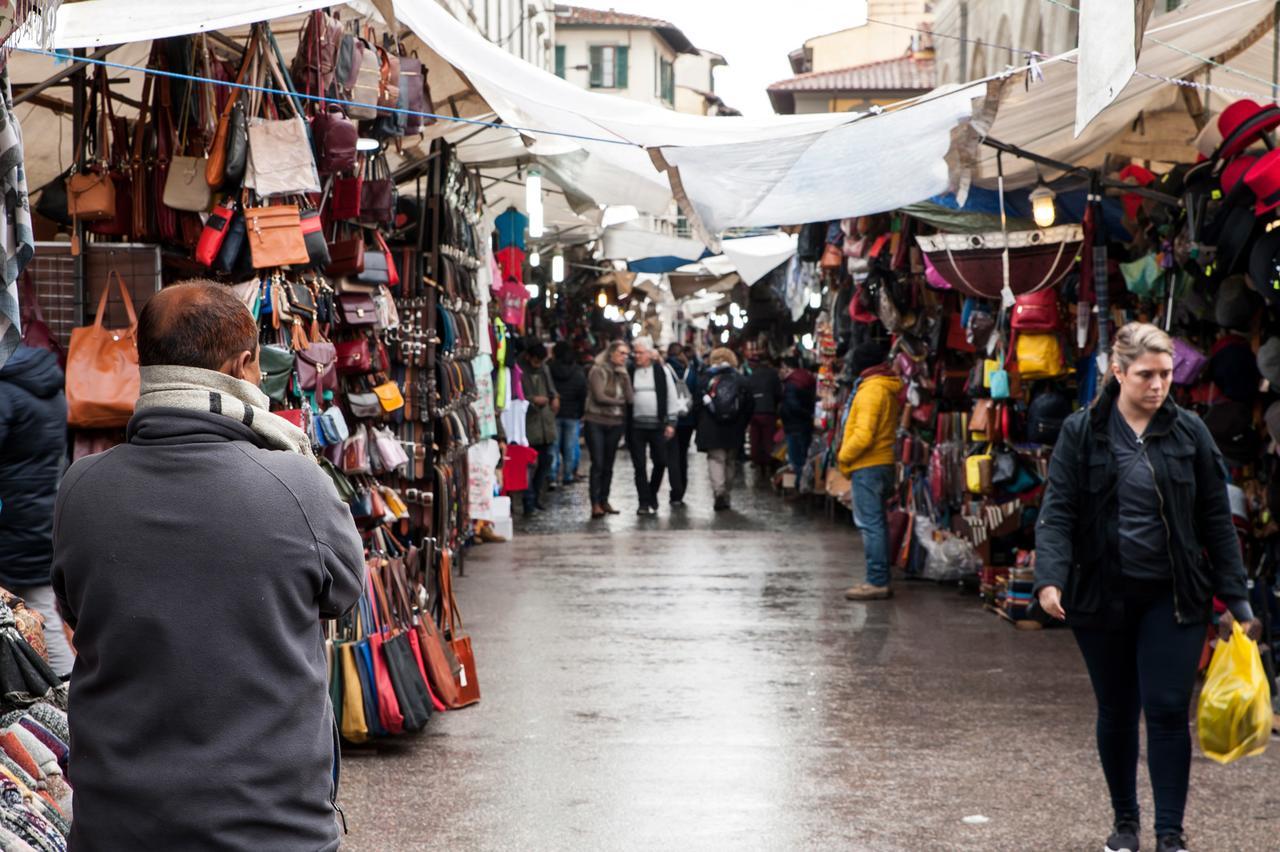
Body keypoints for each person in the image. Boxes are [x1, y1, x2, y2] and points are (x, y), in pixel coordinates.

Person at [51, 281, 365, 850]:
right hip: (271, 828)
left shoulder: (81, 489)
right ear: (244, 365)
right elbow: (343, 594)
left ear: (143, 363)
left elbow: (75, 613)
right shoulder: (297, 485)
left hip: (118, 823)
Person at [1034, 322, 1261, 852]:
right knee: (1116, 709)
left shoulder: (1190, 432)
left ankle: (1169, 833)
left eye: (1165, 375)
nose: (1159, 386)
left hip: (1174, 594)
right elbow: (1058, 510)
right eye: (1146, 375)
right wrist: (1049, 579)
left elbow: (1214, 518)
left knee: (1165, 708)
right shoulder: (1081, 431)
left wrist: (1237, 596)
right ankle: (1126, 823)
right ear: (1118, 373)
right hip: (1100, 594)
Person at [0, 344, 74, 677]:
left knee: (30, 617)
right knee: (44, 616)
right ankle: (68, 699)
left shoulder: (6, 392)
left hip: (11, 525)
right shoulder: (47, 386)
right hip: (40, 522)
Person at [837, 340, 902, 601]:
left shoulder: (871, 390)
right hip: (880, 463)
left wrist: (843, 457)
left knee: (870, 524)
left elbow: (864, 435)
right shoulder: (880, 387)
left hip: (869, 465)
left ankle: (877, 581)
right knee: (877, 524)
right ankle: (879, 577)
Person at [696, 347, 753, 512]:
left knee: (716, 459)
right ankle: (726, 493)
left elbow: (697, 404)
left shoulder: (705, 378)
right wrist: (743, 423)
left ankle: (718, 491)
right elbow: (749, 404)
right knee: (730, 460)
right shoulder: (741, 379)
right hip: (734, 427)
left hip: (711, 427)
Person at [627, 336, 679, 516]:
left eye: (640, 353)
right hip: (636, 426)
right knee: (639, 466)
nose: (637, 356)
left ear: (649, 354)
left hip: (657, 425)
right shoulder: (630, 370)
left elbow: (671, 395)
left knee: (661, 462)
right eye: (635, 352)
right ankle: (643, 502)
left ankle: (652, 493)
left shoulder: (661, 371)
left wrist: (671, 422)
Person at [585, 340, 634, 519]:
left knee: (608, 464)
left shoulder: (622, 373)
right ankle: (595, 503)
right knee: (597, 462)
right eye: (621, 353)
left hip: (615, 423)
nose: (624, 357)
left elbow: (630, 398)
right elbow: (599, 397)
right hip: (596, 421)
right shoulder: (598, 370)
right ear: (611, 353)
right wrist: (618, 402)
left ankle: (604, 499)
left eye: (626, 354)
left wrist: (626, 377)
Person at [519, 338, 559, 515]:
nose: (538, 364)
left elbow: (552, 390)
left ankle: (535, 497)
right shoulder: (519, 371)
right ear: (528, 357)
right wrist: (533, 399)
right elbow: (517, 398)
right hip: (528, 425)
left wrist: (554, 398)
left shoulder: (544, 369)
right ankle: (528, 501)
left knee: (544, 463)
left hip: (545, 425)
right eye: (535, 361)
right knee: (529, 465)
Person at [548, 341, 587, 489]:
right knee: (571, 446)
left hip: (555, 412)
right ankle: (568, 475)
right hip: (573, 413)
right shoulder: (577, 371)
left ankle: (552, 476)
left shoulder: (550, 369)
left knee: (554, 446)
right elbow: (582, 391)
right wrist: (581, 411)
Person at [666, 343, 699, 507]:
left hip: (671, 419)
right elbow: (697, 393)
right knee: (682, 455)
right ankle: (682, 488)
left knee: (672, 455)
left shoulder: (665, 370)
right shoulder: (691, 371)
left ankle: (676, 491)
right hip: (688, 419)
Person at [780, 355, 817, 482]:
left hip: (794, 424)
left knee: (796, 459)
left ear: (787, 367)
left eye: (782, 367)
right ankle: (803, 485)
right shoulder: (808, 378)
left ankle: (799, 486)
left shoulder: (791, 383)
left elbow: (793, 406)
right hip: (805, 424)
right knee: (804, 455)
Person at [745, 354, 783, 471]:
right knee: (768, 438)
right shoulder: (773, 375)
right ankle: (768, 462)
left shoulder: (752, 376)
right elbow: (779, 394)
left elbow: (747, 395)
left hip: (755, 412)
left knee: (755, 438)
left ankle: (757, 461)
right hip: (768, 411)